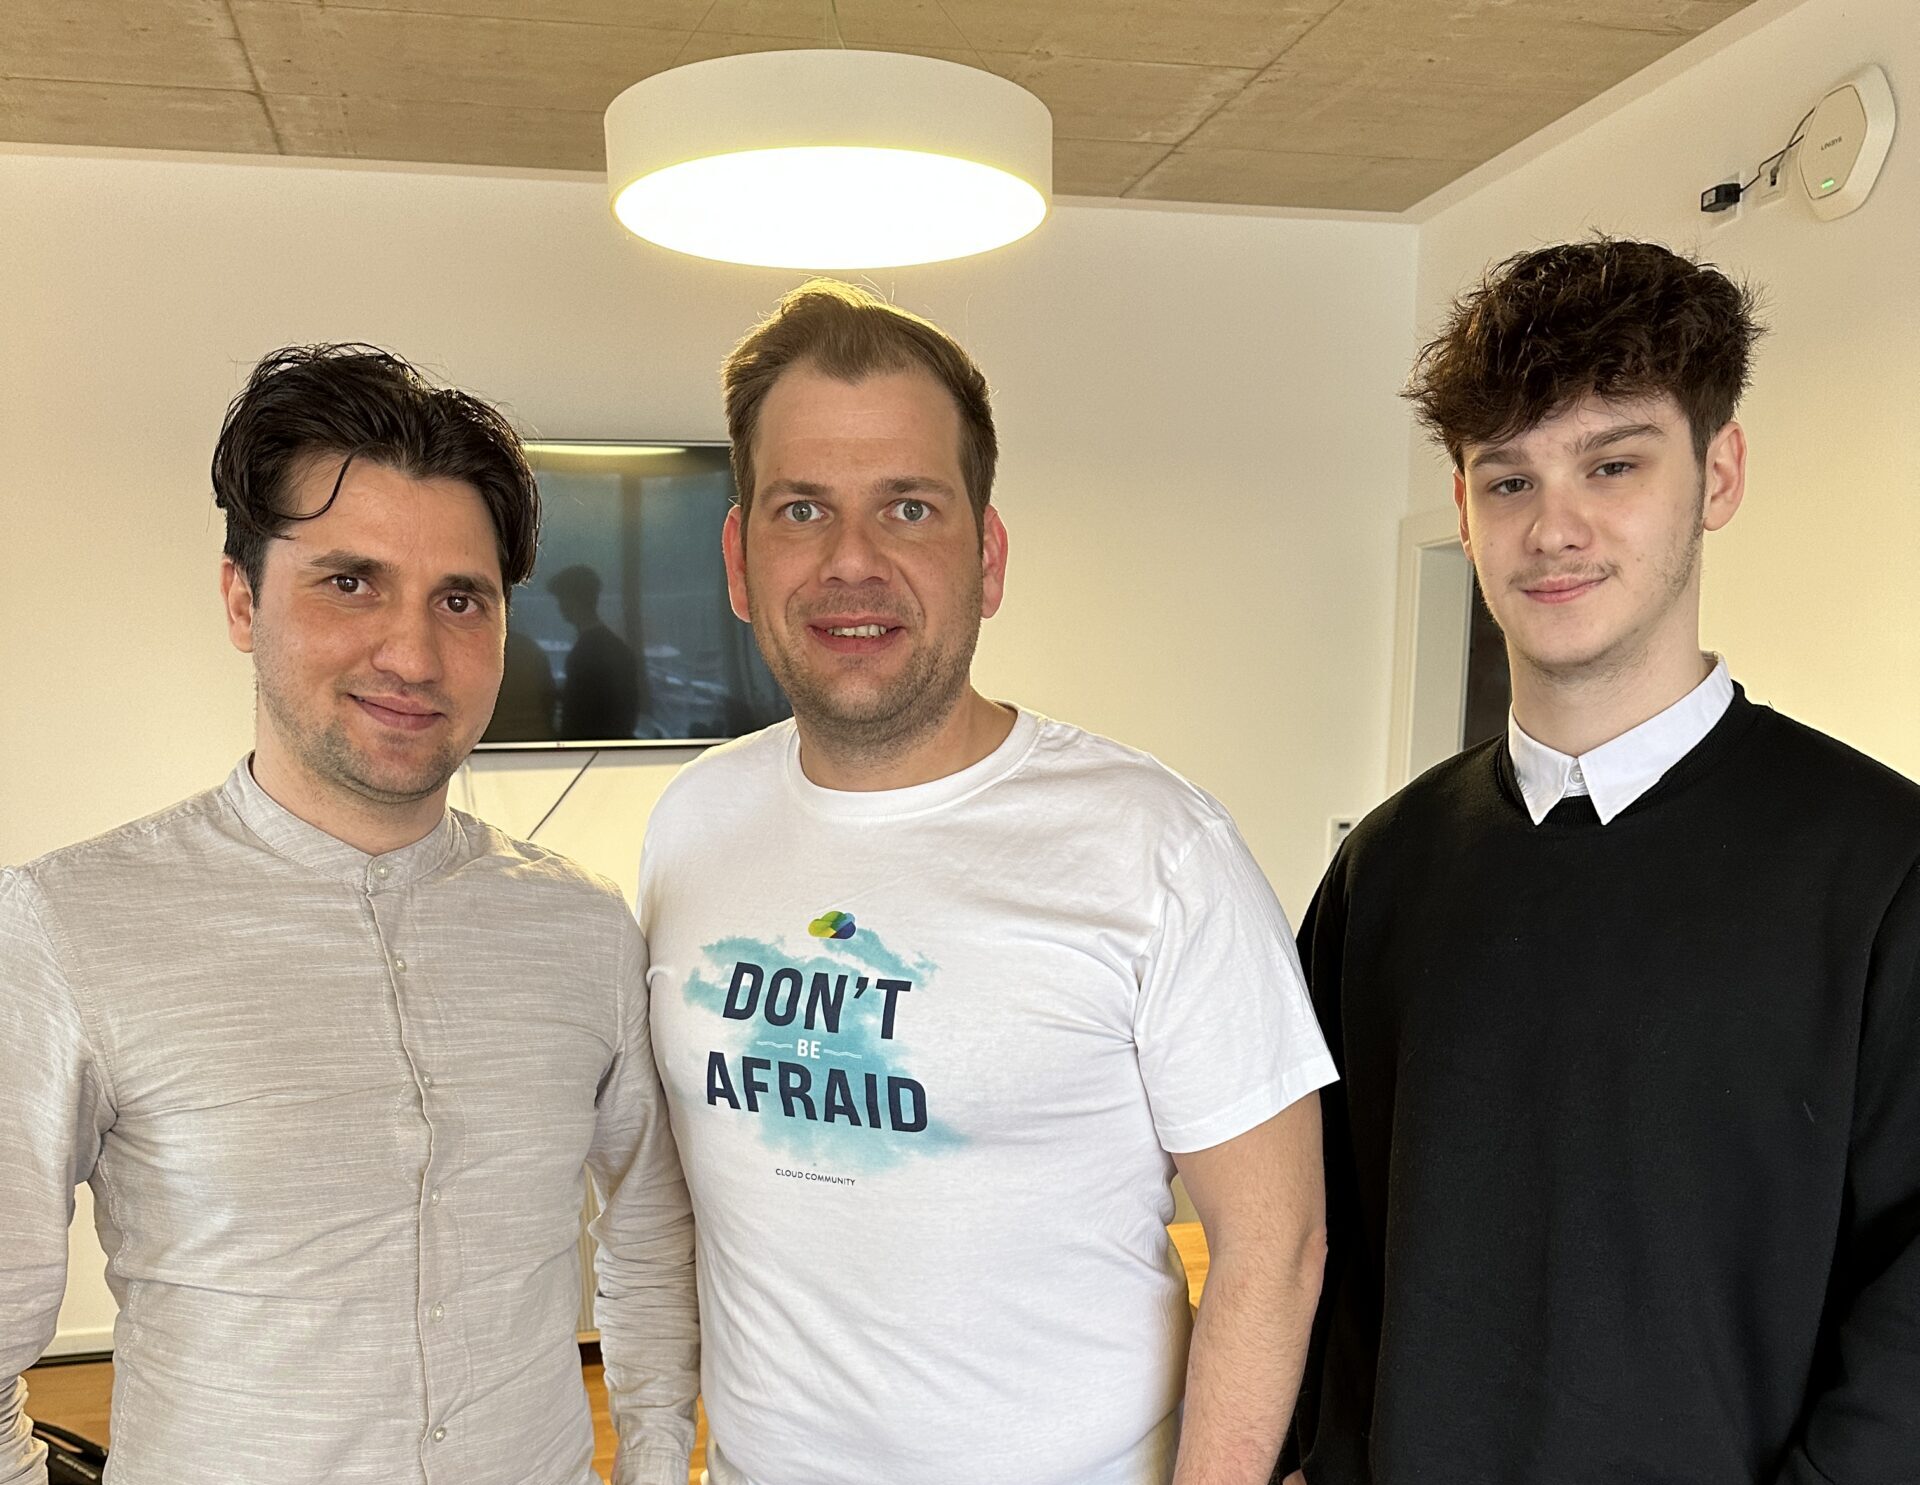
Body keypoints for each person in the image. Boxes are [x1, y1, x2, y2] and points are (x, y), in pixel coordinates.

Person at [638, 280, 1336, 1485]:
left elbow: (1277, 1248)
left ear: (988, 558)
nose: (852, 561)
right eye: (803, 509)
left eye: (909, 507)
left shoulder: (1157, 847)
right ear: (740, 562)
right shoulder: (693, 825)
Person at [0, 345, 698, 1485]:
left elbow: (654, 1228)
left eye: (460, 600)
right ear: (242, 599)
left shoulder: (582, 927)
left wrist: (660, 1459)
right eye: (350, 582)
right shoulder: (68, 927)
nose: (413, 655)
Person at [1286, 239, 1920, 1483]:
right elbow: (1319, 1237)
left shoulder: (1884, 871)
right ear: (1463, 509)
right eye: (1509, 480)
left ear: (1719, 473)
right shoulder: (1385, 871)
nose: (1553, 528)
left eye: (1613, 464)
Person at [548, 563, 647, 741]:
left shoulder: (582, 655)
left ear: (571, 600)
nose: (560, 607)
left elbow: (576, 718)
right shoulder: (618, 648)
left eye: (561, 599)